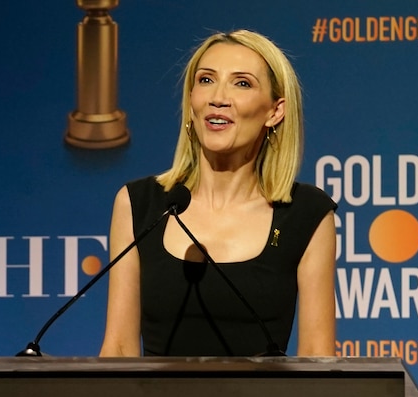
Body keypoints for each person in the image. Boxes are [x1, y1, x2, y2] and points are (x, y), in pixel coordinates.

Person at [99, 29, 337, 357]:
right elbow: (119, 348)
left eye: (242, 83)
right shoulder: (141, 204)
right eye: (206, 80)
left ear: (275, 111)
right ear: (191, 101)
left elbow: (317, 358)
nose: (218, 97)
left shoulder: (305, 213)